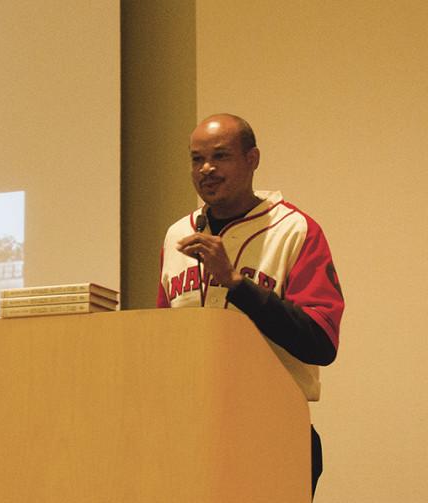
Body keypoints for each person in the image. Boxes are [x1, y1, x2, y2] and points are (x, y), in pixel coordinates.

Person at [157, 114, 344, 497]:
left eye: (220, 156)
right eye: (197, 159)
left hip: (272, 431)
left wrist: (237, 285)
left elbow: (320, 342)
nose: (206, 169)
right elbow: (161, 338)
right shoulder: (178, 234)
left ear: (252, 159)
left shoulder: (295, 230)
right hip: (188, 432)